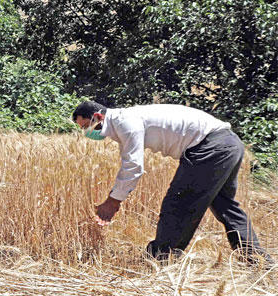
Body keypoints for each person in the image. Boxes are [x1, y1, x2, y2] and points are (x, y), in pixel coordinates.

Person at [72, 100, 273, 265]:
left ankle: (160, 260)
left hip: (210, 147)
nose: (88, 133)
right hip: (228, 144)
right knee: (224, 206)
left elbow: (133, 166)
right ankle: (258, 261)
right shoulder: (126, 119)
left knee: (177, 204)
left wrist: (113, 201)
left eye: (86, 126)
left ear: (98, 117)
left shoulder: (125, 121)